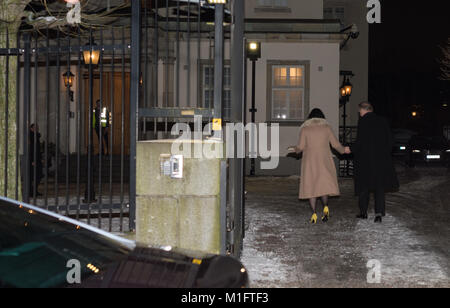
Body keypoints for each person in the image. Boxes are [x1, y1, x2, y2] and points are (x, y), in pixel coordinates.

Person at [289, 109, 350, 224]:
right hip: (324, 161)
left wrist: (294, 149)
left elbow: (300, 147)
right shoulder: (326, 128)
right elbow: (335, 144)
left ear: (310, 118)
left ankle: (314, 214)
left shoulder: (305, 129)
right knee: (323, 186)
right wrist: (343, 150)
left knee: (311, 188)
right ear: (322, 117)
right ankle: (325, 207)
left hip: (310, 162)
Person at [349, 102, 399, 223]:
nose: (359, 113)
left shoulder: (363, 121)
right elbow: (390, 140)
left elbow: (360, 141)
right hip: (381, 160)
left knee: (364, 186)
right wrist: (385, 153)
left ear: (363, 110)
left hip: (365, 161)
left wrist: (351, 149)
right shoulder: (383, 121)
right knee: (379, 188)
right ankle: (378, 214)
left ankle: (363, 212)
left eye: (359, 111)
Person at [29, 123, 43, 197]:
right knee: (33, 176)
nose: (36, 129)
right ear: (31, 128)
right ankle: (31, 192)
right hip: (33, 160)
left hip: (37, 159)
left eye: (37, 127)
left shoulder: (36, 136)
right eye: (34, 127)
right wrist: (32, 160)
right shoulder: (31, 137)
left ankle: (34, 191)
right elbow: (31, 149)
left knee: (38, 175)